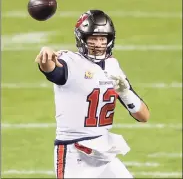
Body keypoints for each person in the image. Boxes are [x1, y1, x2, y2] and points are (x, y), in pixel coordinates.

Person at [35, 10, 150, 178]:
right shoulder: (71, 62)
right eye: (93, 38)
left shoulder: (113, 66)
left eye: (103, 38)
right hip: (74, 152)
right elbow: (53, 70)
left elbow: (143, 116)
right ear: (82, 38)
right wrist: (46, 54)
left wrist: (125, 93)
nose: (98, 43)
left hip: (103, 151)